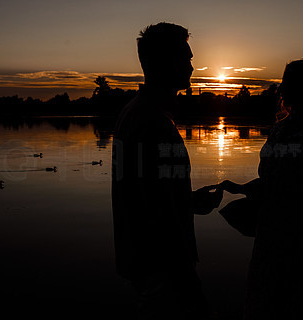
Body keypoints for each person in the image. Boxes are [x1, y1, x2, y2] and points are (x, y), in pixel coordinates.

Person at [111, 22, 222, 320]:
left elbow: (148, 191)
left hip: (144, 261)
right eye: (186, 59)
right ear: (167, 63)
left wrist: (190, 201)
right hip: (163, 267)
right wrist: (186, 277)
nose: (192, 68)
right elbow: (157, 212)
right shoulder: (153, 123)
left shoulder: (135, 113)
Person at [219, 57, 303, 319]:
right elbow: (271, 181)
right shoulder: (280, 129)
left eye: (288, 81)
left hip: (302, 243)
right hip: (268, 237)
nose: (281, 87)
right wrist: (242, 188)